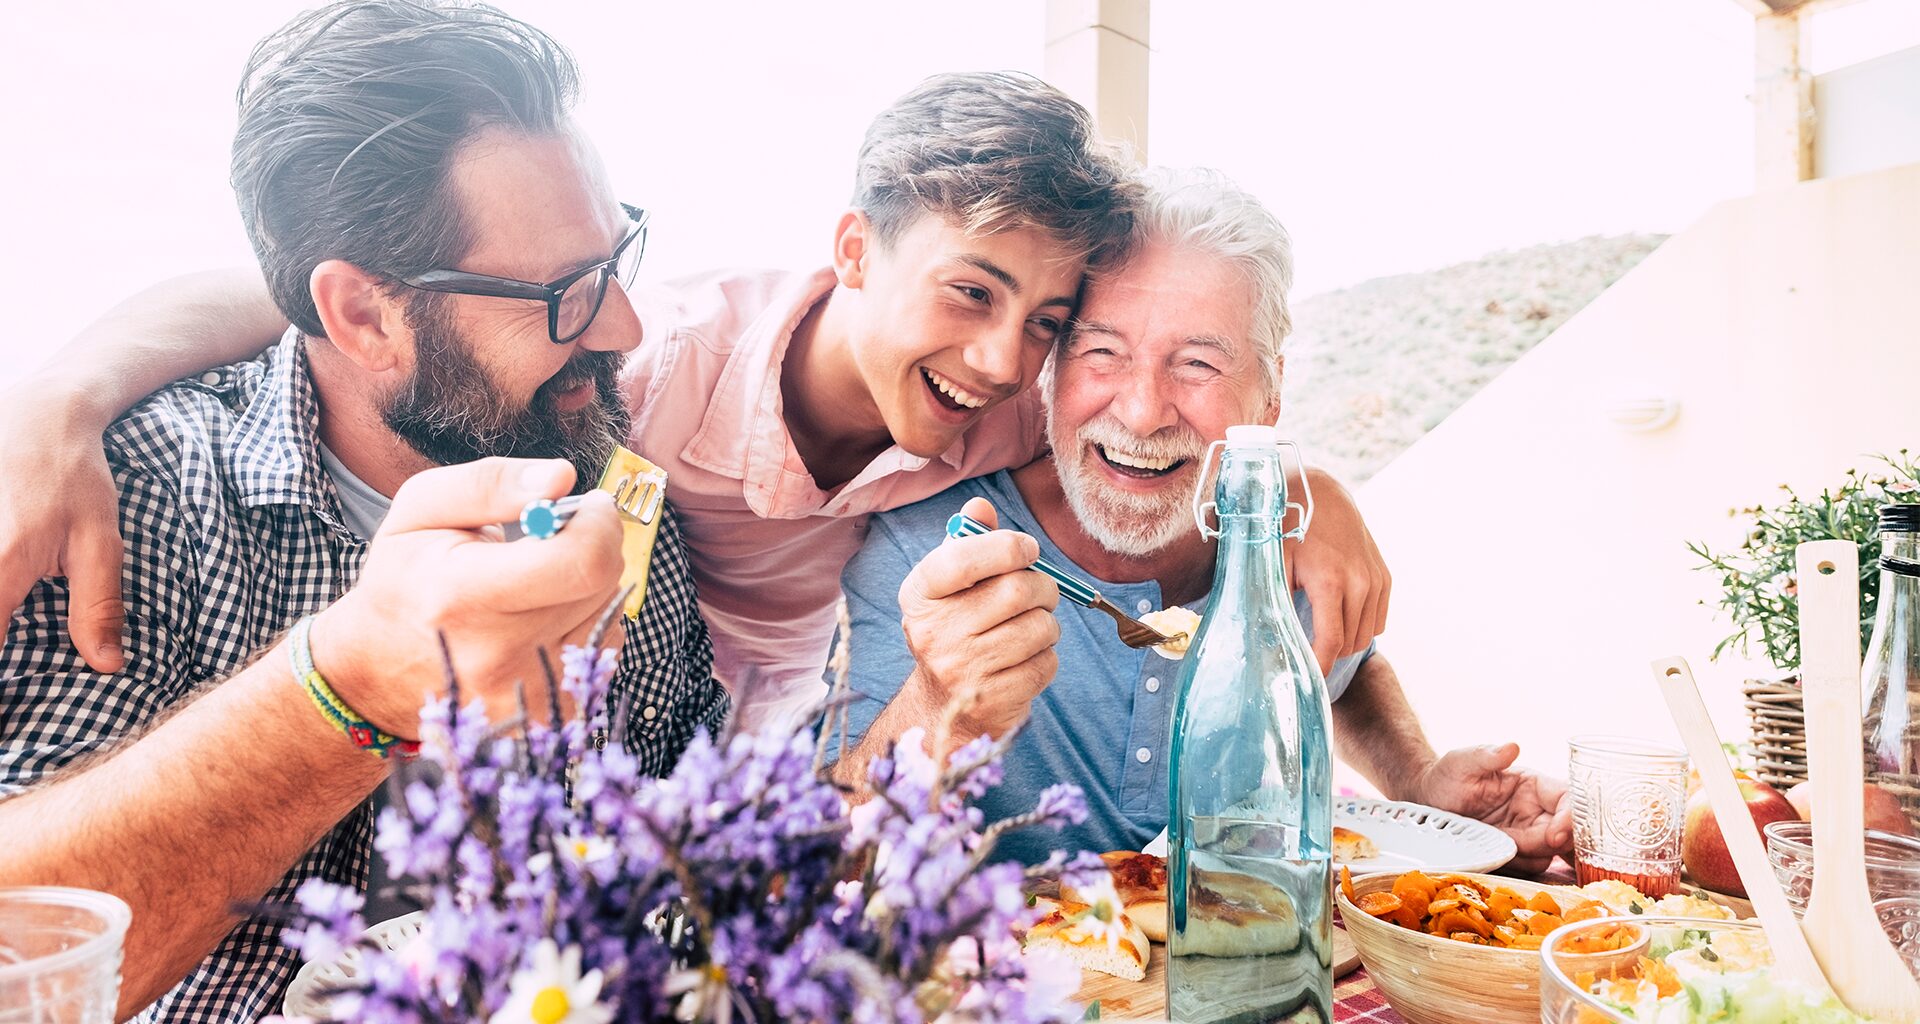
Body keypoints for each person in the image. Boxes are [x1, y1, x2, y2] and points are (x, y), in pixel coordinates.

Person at [0, 78, 1393, 733]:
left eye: (1040, 322)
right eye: (967, 295)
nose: (998, 356)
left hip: (810, 722)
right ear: (853, 253)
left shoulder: (1014, 398)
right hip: (637, 696)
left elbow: (1153, 424)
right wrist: (63, 390)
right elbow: (355, 308)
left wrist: (1307, 489)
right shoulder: (639, 364)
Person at [0, 4, 726, 1019]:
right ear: (362, 315)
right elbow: (24, 946)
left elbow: (692, 871)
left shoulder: (603, 477)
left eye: (617, 259)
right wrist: (339, 689)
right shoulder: (132, 496)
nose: (624, 326)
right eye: (565, 290)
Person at [831, 168, 1573, 872]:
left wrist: (1416, 783)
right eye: (1102, 351)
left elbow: (1342, 668)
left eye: (1197, 365)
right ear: (1050, 371)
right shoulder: (924, 551)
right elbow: (820, 859)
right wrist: (939, 706)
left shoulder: (1285, 547)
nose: (1143, 411)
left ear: (1270, 398)